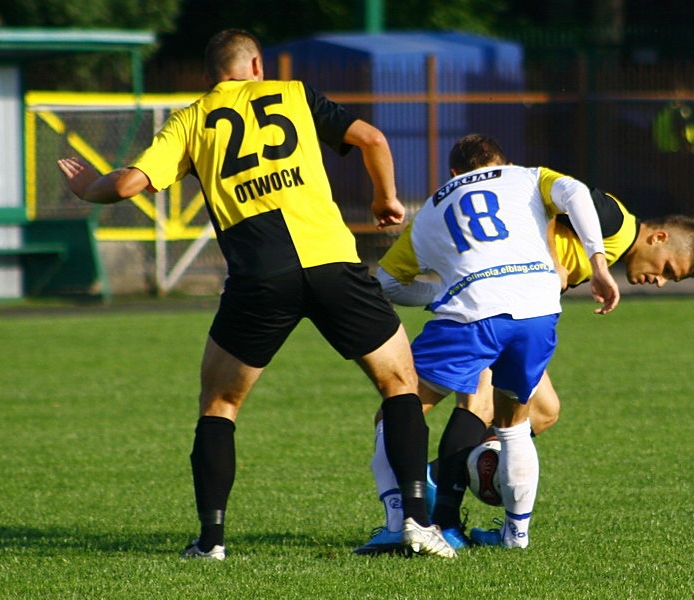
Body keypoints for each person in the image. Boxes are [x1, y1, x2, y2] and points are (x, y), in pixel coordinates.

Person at [57, 28, 455, 560]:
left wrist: (87, 188)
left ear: (210, 76)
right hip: (333, 262)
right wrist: (386, 198)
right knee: (399, 386)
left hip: (260, 275)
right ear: (257, 66)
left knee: (220, 404)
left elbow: (129, 185)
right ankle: (417, 523)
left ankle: (211, 542)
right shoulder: (293, 94)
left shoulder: (192, 117)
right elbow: (374, 140)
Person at [355, 144, 694, 553]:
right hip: (507, 309)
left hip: (512, 311)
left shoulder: (442, 208)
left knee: (543, 412)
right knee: (479, 408)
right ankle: (448, 515)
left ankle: (445, 475)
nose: (661, 281)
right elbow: (557, 199)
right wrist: (563, 263)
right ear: (659, 237)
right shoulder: (615, 221)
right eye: (667, 269)